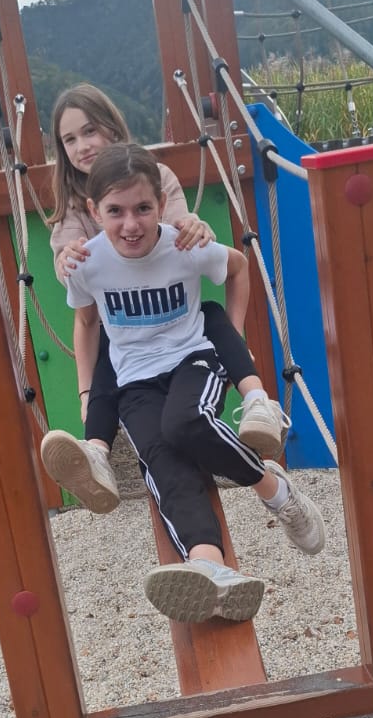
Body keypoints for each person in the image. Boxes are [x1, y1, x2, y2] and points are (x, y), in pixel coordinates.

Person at [60, 141, 325, 624]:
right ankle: (209, 565)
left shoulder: (183, 245)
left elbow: (238, 270)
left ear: (161, 205)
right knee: (163, 462)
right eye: (115, 211)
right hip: (134, 381)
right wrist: (86, 394)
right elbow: (86, 323)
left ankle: (276, 492)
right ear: (95, 212)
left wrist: (235, 338)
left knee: (185, 423)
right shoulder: (87, 262)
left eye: (143, 208)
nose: (131, 224)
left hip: (192, 359)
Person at [40, 84, 285, 512]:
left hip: (175, 319)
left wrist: (195, 226)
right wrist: (65, 259)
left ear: (112, 128)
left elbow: (175, 232)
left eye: (90, 131)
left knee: (210, 315)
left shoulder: (153, 176)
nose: (82, 146)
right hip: (126, 331)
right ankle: (97, 448)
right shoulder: (75, 207)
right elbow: (69, 259)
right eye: (70, 139)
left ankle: (257, 399)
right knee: (111, 355)